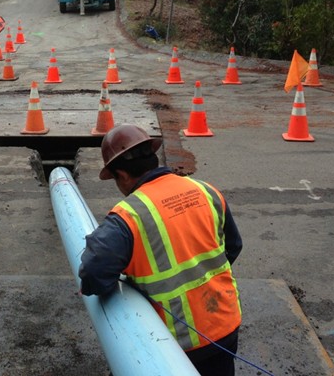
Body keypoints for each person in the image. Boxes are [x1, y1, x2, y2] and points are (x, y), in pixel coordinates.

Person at [79, 124, 243, 376]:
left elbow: (93, 273)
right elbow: (232, 247)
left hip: (176, 344)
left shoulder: (127, 217)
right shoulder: (206, 190)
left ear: (121, 174)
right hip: (225, 325)